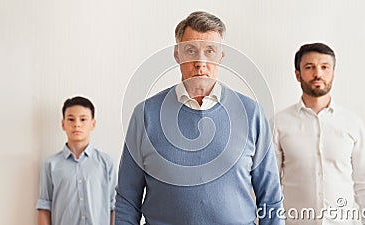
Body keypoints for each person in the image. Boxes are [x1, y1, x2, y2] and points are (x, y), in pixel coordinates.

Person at [115, 11, 284, 225]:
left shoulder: (251, 113)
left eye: (210, 51)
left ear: (221, 56)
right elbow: (127, 200)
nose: (200, 62)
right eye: (191, 51)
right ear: (177, 55)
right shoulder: (145, 115)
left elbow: (270, 198)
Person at [272, 43, 365, 225]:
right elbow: (270, 183)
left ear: (333, 73)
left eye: (324, 67)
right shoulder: (279, 123)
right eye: (309, 67)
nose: (318, 74)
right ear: (297, 74)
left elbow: (364, 182)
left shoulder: (352, 123)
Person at [36, 96, 117, 225]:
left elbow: (114, 205)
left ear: (93, 124)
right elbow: (45, 206)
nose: (77, 124)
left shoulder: (107, 163)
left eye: (83, 119)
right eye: (71, 119)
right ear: (63, 124)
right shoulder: (50, 165)